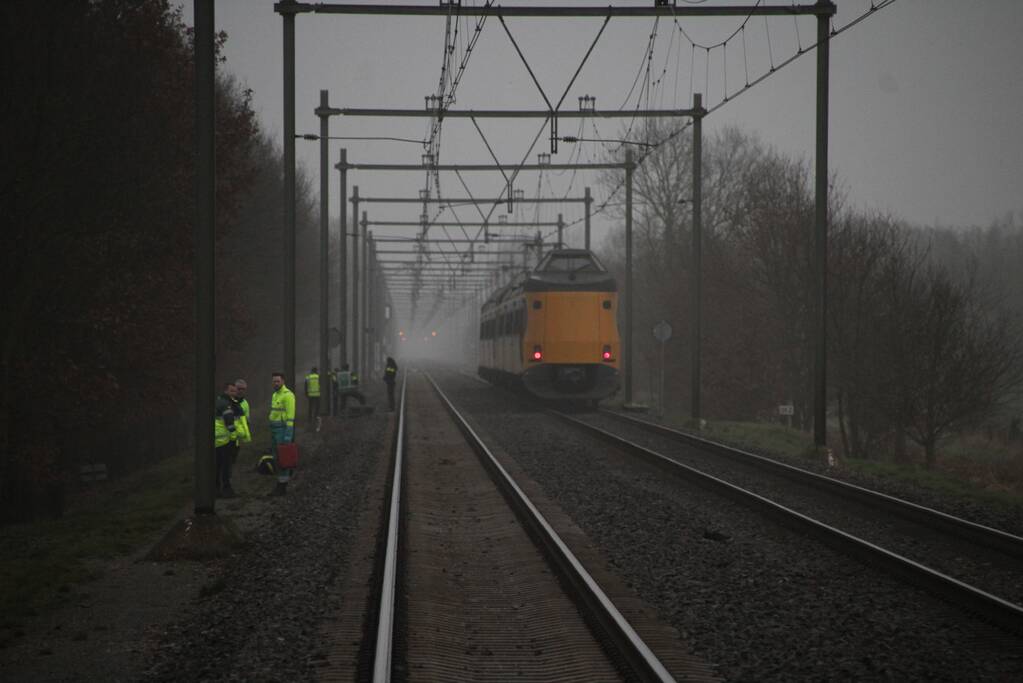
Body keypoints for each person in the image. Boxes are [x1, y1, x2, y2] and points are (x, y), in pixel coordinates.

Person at [268, 372, 296, 496]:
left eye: (278, 381)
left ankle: (282, 487)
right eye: (274, 381)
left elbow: (290, 418)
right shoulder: (275, 395)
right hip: (274, 430)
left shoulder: (288, 396)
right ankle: (280, 484)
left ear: (283, 381)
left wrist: (288, 436)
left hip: (282, 430)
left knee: (283, 459)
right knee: (277, 459)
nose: (275, 383)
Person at [214, 382, 238, 498]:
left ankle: (215, 488)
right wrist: (234, 437)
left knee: (216, 466)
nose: (234, 393)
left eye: (235, 391)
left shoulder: (217, 401)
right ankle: (226, 489)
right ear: (226, 391)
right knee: (225, 466)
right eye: (232, 391)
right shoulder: (226, 404)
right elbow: (229, 423)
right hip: (223, 440)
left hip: (214, 440)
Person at [232, 378, 252, 464]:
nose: (240, 391)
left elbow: (246, 421)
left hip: (237, 439)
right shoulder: (227, 401)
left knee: (232, 460)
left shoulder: (245, 404)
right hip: (224, 438)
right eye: (238, 388)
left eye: (243, 389)